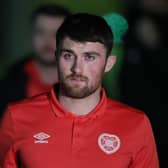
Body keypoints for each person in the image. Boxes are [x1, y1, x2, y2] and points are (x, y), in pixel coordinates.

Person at [0, 13, 159, 168]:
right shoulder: (17, 116)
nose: (77, 68)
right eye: (68, 55)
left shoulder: (135, 124)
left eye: (89, 57)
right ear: (56, 57)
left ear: (109, 63)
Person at [0, 4, 71, 114]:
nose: (47, 41)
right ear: (31, 34)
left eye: (56, 34)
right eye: (40, 32)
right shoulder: (8, 84)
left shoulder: (86, 83)